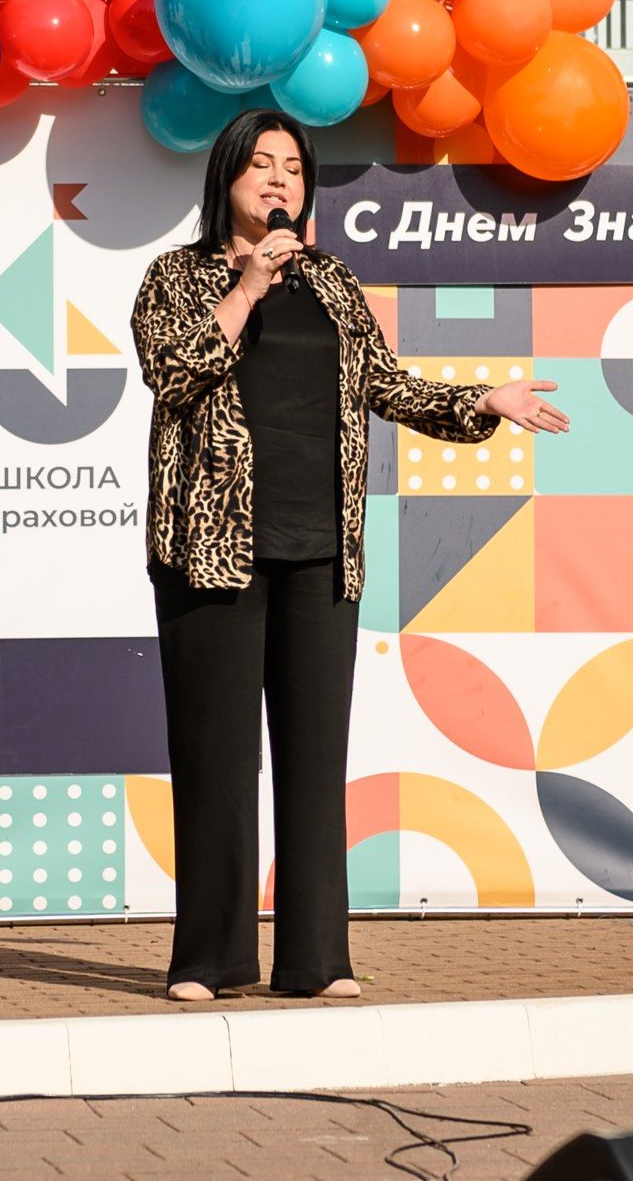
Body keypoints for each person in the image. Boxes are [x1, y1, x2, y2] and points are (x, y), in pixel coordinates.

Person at [130, 111, 569, 1004]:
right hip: (210, 550)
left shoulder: (332, 281)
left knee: (312, 761)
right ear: (227, 178)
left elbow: (385, 382)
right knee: (216, 762)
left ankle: (315, 958)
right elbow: (171, 371)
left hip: (323, 551)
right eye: (261, 165)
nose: (280, 181)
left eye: (293, 167)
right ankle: (209, 960)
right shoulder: (175, 277)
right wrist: (247, 287)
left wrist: (481, 398)